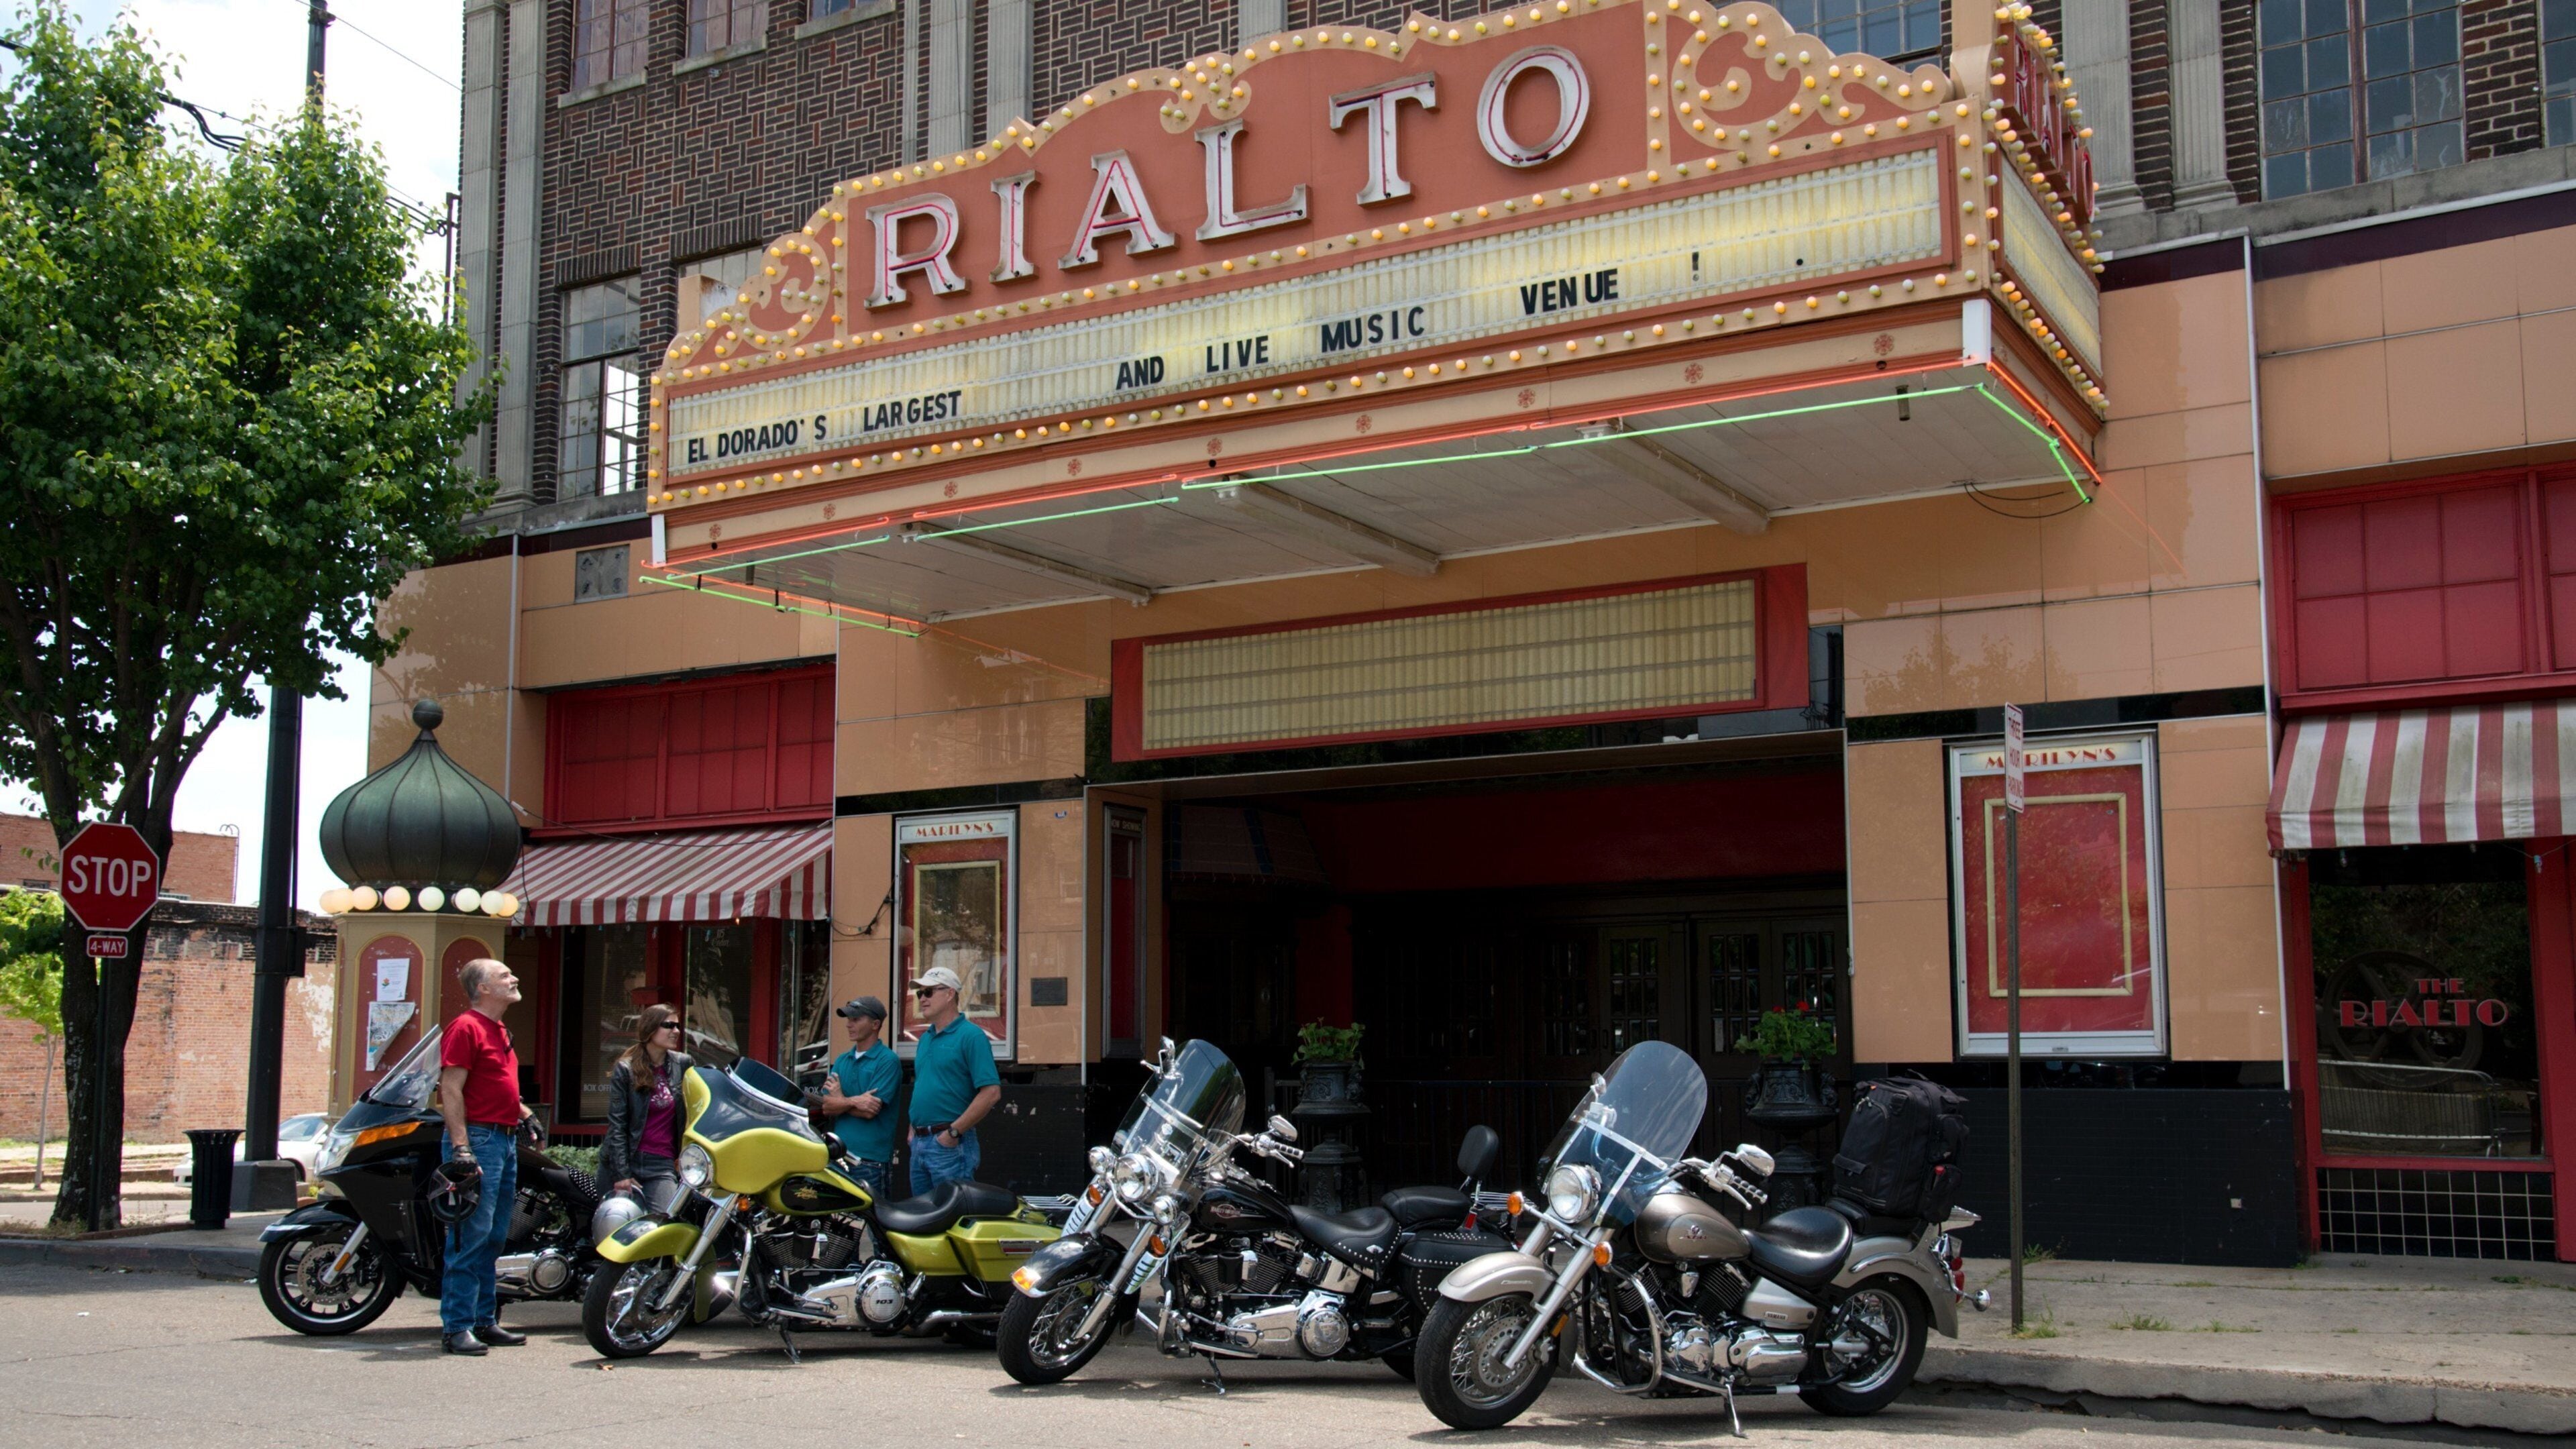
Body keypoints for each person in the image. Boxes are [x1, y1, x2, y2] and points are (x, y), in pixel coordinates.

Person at [437, 958, 540, 1356]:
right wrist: (461, 1147)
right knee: (470, 1235)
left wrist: (525, 1114)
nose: (514, 978)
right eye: (504, 976)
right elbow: (451, 1088)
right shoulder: (465, 1027)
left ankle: (483, 1320)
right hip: (479, 1139)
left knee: (495, 1235)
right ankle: (457, 1327)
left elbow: (497, 1084)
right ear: (482, 988)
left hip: (504, 1138)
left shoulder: (499, 1029)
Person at [906, 965, 1000, 1193]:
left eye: (929, 992)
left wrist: (953, 1133)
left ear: (950, 994)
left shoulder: (971, 1036)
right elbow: (924, 1084)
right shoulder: (925, 1039)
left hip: (949, 1144)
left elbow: (991, 1093)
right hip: (921, 1142)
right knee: (923, 1213)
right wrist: (913, 1129)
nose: (922, 998)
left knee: (953, 1212)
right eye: (920, 993)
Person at [600, 1004, 692, 1214]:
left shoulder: (683, 1064)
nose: (676, 1031)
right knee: (616, 1225)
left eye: (678, 1026)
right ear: (650, 1029)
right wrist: (621, 1174)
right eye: (669, 1025)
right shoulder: (626, 1068)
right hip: (626, 1161)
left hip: (662, 1164)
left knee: (665, 1222)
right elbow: (617, 1124)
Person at [810, 997, 900, 1197]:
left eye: (856, 1019)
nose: (849, 1024)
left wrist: (840, 1099)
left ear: (875, 1024)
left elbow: (870, 1111)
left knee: (872, 1216)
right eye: (849, 1019)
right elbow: (827, 1107)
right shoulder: (842, 1059)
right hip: (838, 1155)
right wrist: (854, 1101)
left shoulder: (888, 1060)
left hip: (870, 1161)